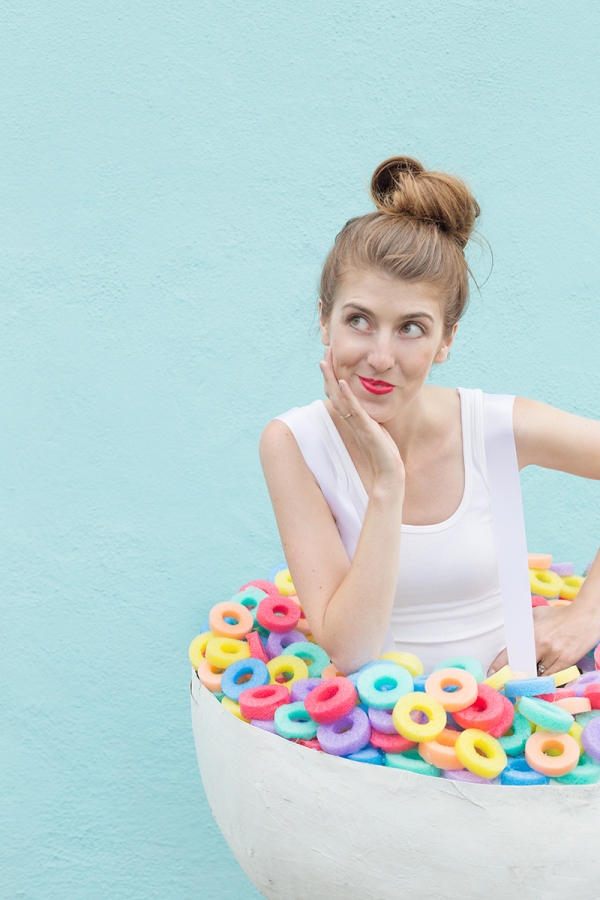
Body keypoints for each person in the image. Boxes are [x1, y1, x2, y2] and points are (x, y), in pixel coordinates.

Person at [259, 155, 600, 679]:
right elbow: (351, 650)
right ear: (325, 319)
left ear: (447, 339)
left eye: (411, 328)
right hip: (372, 745)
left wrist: (585, 615)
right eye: (359, 320)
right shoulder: (294, 444)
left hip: (517, 728)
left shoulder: (494, 427)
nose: (380, 356)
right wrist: (387, 482)